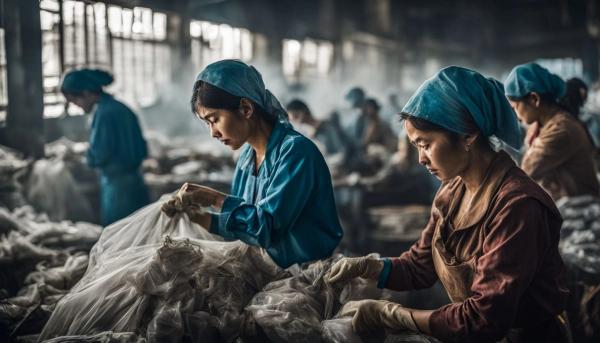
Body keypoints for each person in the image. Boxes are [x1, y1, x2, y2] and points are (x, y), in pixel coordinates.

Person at [324, 66, 570, 342]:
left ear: (467, 135)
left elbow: (482, 319)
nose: (421, 159)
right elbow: (419, 267)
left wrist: (392, 314)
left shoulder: (518, 206)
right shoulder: (451, 193)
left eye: (425, 144)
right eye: (416, 146)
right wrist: (369, 267)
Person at [161, 59, 343, 269]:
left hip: (308, 274)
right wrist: (199, 218)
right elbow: (244, 227)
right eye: (207, 124)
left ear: (246, 108)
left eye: (215, 119)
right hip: (268, 270)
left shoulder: (296, 153)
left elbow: (266, 229)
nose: (213, 133)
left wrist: (213, 197)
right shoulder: (247, 159)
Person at [61, 68, 149, 226]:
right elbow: (141, 148)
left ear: (86, 93)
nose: (77, 107)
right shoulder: (122, 108)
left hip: (118, 189)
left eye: (76, 102)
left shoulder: (103, 114)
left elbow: (99, 154)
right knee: (139, 234)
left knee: (118, 237)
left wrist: (84, 157)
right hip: (136, 182)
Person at [505, 63, 599, 200]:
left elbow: (526, 172)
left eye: (515, 107)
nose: (515, 115)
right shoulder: (542, 124)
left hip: (580, 207)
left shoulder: (561, 130)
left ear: (534, 99)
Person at [286, 98, 350, 169]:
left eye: (296, 116)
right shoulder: (308, 136)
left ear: (303, 111)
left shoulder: (329, 125)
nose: (297, 122)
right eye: (293, 120)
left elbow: (342, 153)